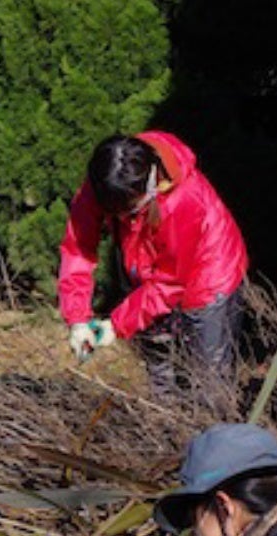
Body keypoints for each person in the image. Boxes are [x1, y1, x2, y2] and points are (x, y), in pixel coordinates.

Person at [57, 132, 249, 399]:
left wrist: (116, 324)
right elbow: (78, 248)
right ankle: (168, 429)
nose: (118, 220)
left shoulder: (183, 200)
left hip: (206, 275)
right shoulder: (107, 180)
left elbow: (169, 283)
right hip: (146, 275)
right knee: (160, 371)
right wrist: (77, 318)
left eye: (127, 213)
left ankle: (210, 432)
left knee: (208, 381)